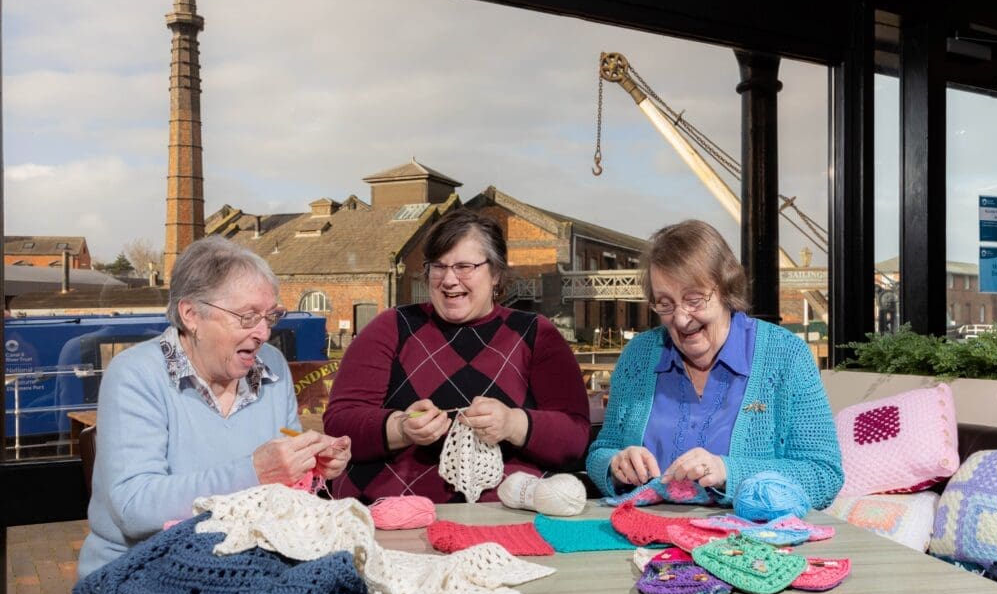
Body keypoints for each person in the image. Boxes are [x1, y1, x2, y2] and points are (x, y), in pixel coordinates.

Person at [78, 237, 351, 578]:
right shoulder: (135, 374)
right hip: (143, 571)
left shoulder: (273, 365)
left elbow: (286, 492)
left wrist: (311, 464)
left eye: (270, 316)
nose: (264, 332)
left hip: (248, 566)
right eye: (248, 317)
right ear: (191, 315)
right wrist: (255, 472)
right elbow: (136, 509)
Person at [324, 208, 590, 503]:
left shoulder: (536, 334)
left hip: (504, 519)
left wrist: (512, 424)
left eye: (464, 266)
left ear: (496, 273)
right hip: (388, 516)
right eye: (438, 266)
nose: (449, 280)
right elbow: (339, 424)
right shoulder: (391, 327)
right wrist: (400, 428)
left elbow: (574, 439)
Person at [586, 220, 842, 509]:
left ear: (725, 289)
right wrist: (615, 466)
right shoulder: (639, 356)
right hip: (641, 537)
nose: (681, 319)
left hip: (747, 543)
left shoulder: (786, 355)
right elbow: (600, 451)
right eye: (665, 304)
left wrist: (727, 472)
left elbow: (824, 476)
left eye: (694, 299)